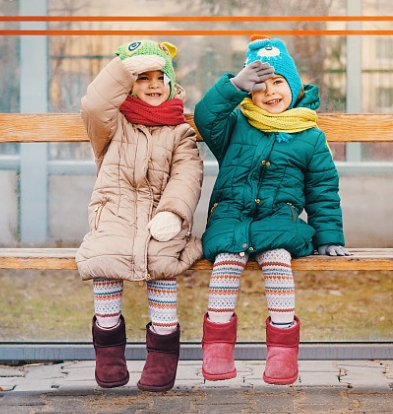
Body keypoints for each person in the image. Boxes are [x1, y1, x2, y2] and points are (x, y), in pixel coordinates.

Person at [194, 35, 350, 385]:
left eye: (278, 82)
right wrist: (233, 86)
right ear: (249, 92)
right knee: (226, 260)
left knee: (277, 258)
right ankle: (217, 345)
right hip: (231, 216)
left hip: (280, 220)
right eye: (259, 85)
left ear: (293, 87)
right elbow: (206, 117)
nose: (269, 91)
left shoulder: (309, 136)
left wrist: (328, 237)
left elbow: (322, 189)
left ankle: (282, 350)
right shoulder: (234, 126)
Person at [75, 40, 204, 392]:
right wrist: (122, 66)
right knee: (105, 263)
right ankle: (108, 350)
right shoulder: (112, 125)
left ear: (171, 82)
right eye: (141, 77)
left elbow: (187, 175)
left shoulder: (180, 131)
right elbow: (95, 104)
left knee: (163, 265)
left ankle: (162, 353)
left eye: (159, 77)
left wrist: (174, 213)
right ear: (128, 84)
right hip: (114, 215)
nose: (152, 85)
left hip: (159, 219)